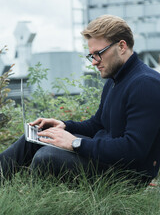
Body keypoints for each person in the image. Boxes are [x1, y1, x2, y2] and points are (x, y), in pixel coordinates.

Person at [1, 14, 160, 185]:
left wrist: (76, 143)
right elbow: (98, 125)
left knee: (46, 158)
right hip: (106, 157)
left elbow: (133, 150)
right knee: (39, 136)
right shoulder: (116, 80)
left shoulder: (145, 84)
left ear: (121, 46)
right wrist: (64, 125)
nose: (94, 62)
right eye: (91, 55)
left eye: (98, 53)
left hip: (127, 175)